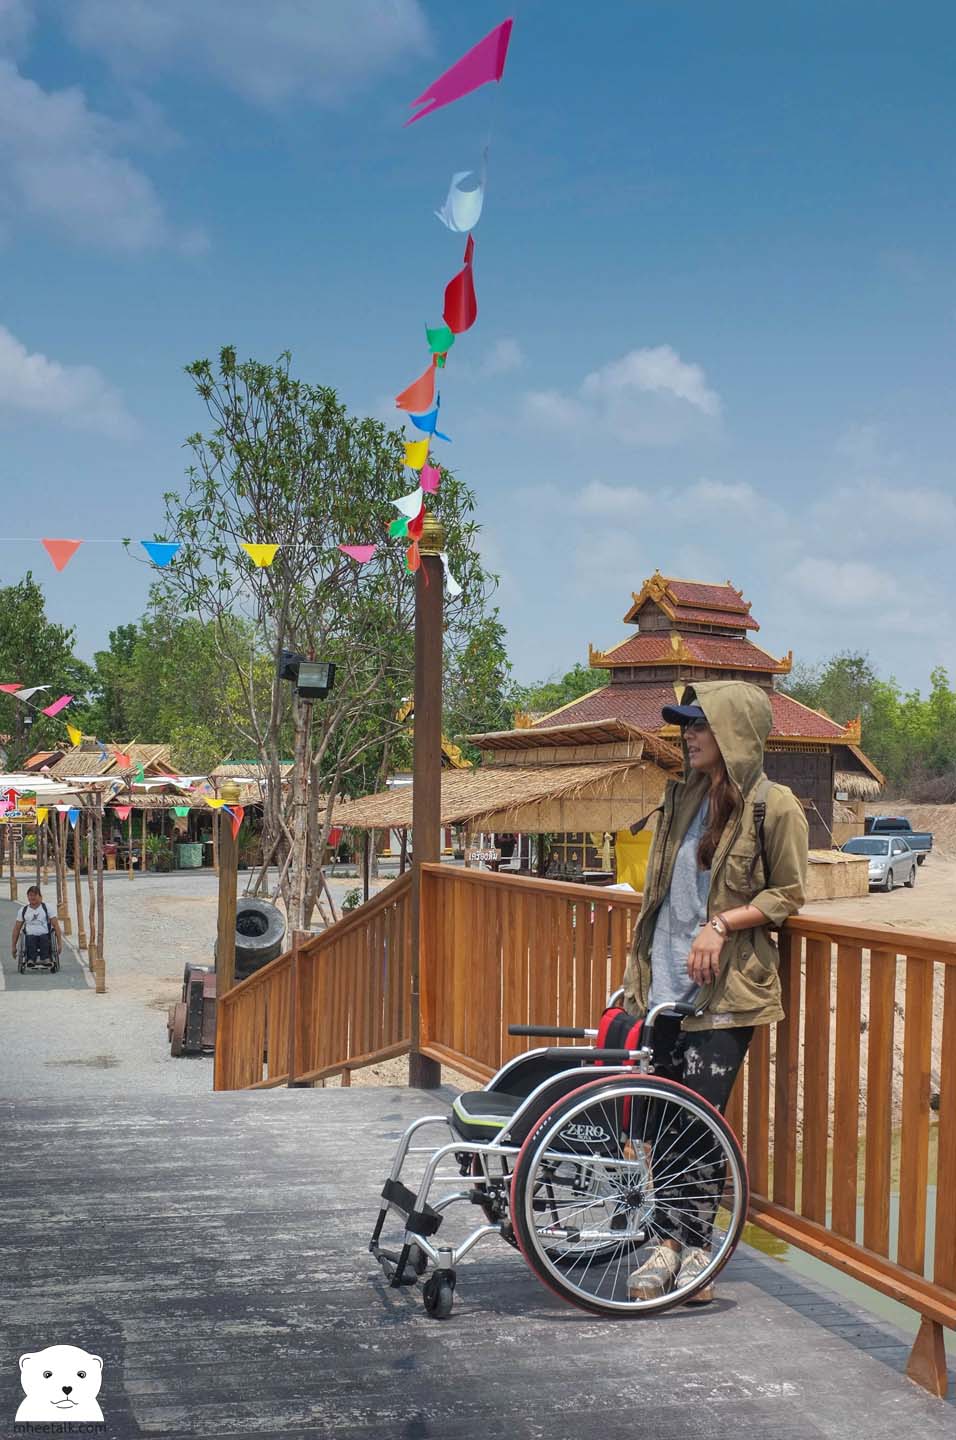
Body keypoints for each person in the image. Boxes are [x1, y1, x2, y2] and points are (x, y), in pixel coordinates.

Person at [622, 680, 808, 1304]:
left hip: (725, 993)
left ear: (734, 734)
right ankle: (666, 1241)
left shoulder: (773, 806)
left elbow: (788, 893)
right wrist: (637, 973)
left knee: (699, 1122)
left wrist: (722, 924)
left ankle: (692, 1250)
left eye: (700, 724)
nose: (688, 735)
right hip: (664, 982)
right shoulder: (682, 796)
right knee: (662, 1119)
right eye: (686, 725)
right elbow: (661, 896)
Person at [12, 886, 63, 968]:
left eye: (35, 895)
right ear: (27, 897)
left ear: (40, 897)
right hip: (30, 937)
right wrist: (13, 946)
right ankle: (31, 959)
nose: (32, 897)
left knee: (44, 938)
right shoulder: (23, 910)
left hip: (45, 936)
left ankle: (45, 958)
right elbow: (16, 929)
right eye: (30, 895)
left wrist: (60, 944)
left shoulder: (47, 908)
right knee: (30, 938)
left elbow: (56, 926)